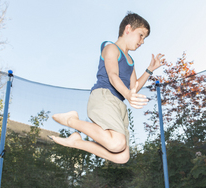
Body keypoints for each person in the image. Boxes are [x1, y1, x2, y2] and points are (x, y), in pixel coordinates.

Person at [49, 12, 164, 164]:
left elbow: (134, 86)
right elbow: (113, 76)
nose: (142, 41)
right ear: (128, 29)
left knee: (122, 156)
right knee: (117, 143)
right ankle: (71, 120)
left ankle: (76, 142)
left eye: (144, 38)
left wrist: (150, 69)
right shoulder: (111, 48)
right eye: (141, 35)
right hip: (104, 96)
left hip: (119, 105)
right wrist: (129, 95)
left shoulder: (130, 61)